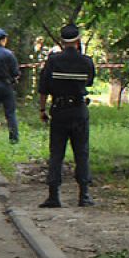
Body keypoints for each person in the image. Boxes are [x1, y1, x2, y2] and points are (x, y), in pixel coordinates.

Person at [38, 24, 97, 208]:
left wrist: (42, 110)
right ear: (78, 41)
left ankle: (54, 196)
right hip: (79, 110)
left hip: (59, 110)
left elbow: (43, 89)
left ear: (62, 42)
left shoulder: (53, 61)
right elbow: (89, 82)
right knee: (82, 152)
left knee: (56, 153)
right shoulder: (86, 62)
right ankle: (84, 195)